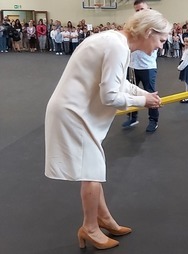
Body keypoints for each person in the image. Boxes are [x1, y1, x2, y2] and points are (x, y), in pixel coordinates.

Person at [44, 9, 170, 250]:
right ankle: (90, 228)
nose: (161, 47)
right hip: (73, 113)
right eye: (161, 40)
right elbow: (110, 95)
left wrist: (144, 94)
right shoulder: (118, 47)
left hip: (74, 111)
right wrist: (144, 102)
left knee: (93, 168)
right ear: (148, 32)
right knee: (92, 170)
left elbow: (116, 82)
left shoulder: (113, 40)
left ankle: (102, 219)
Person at [122, 0, 160, 133]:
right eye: (136, 10)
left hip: (147, 66)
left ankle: (153, 120)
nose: (139, 13)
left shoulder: (154, 24)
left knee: (150, 93)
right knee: (130, 91)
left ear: (148, 8)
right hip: (132, 65)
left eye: (141, 9)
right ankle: (133, 117)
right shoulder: (132, 26)